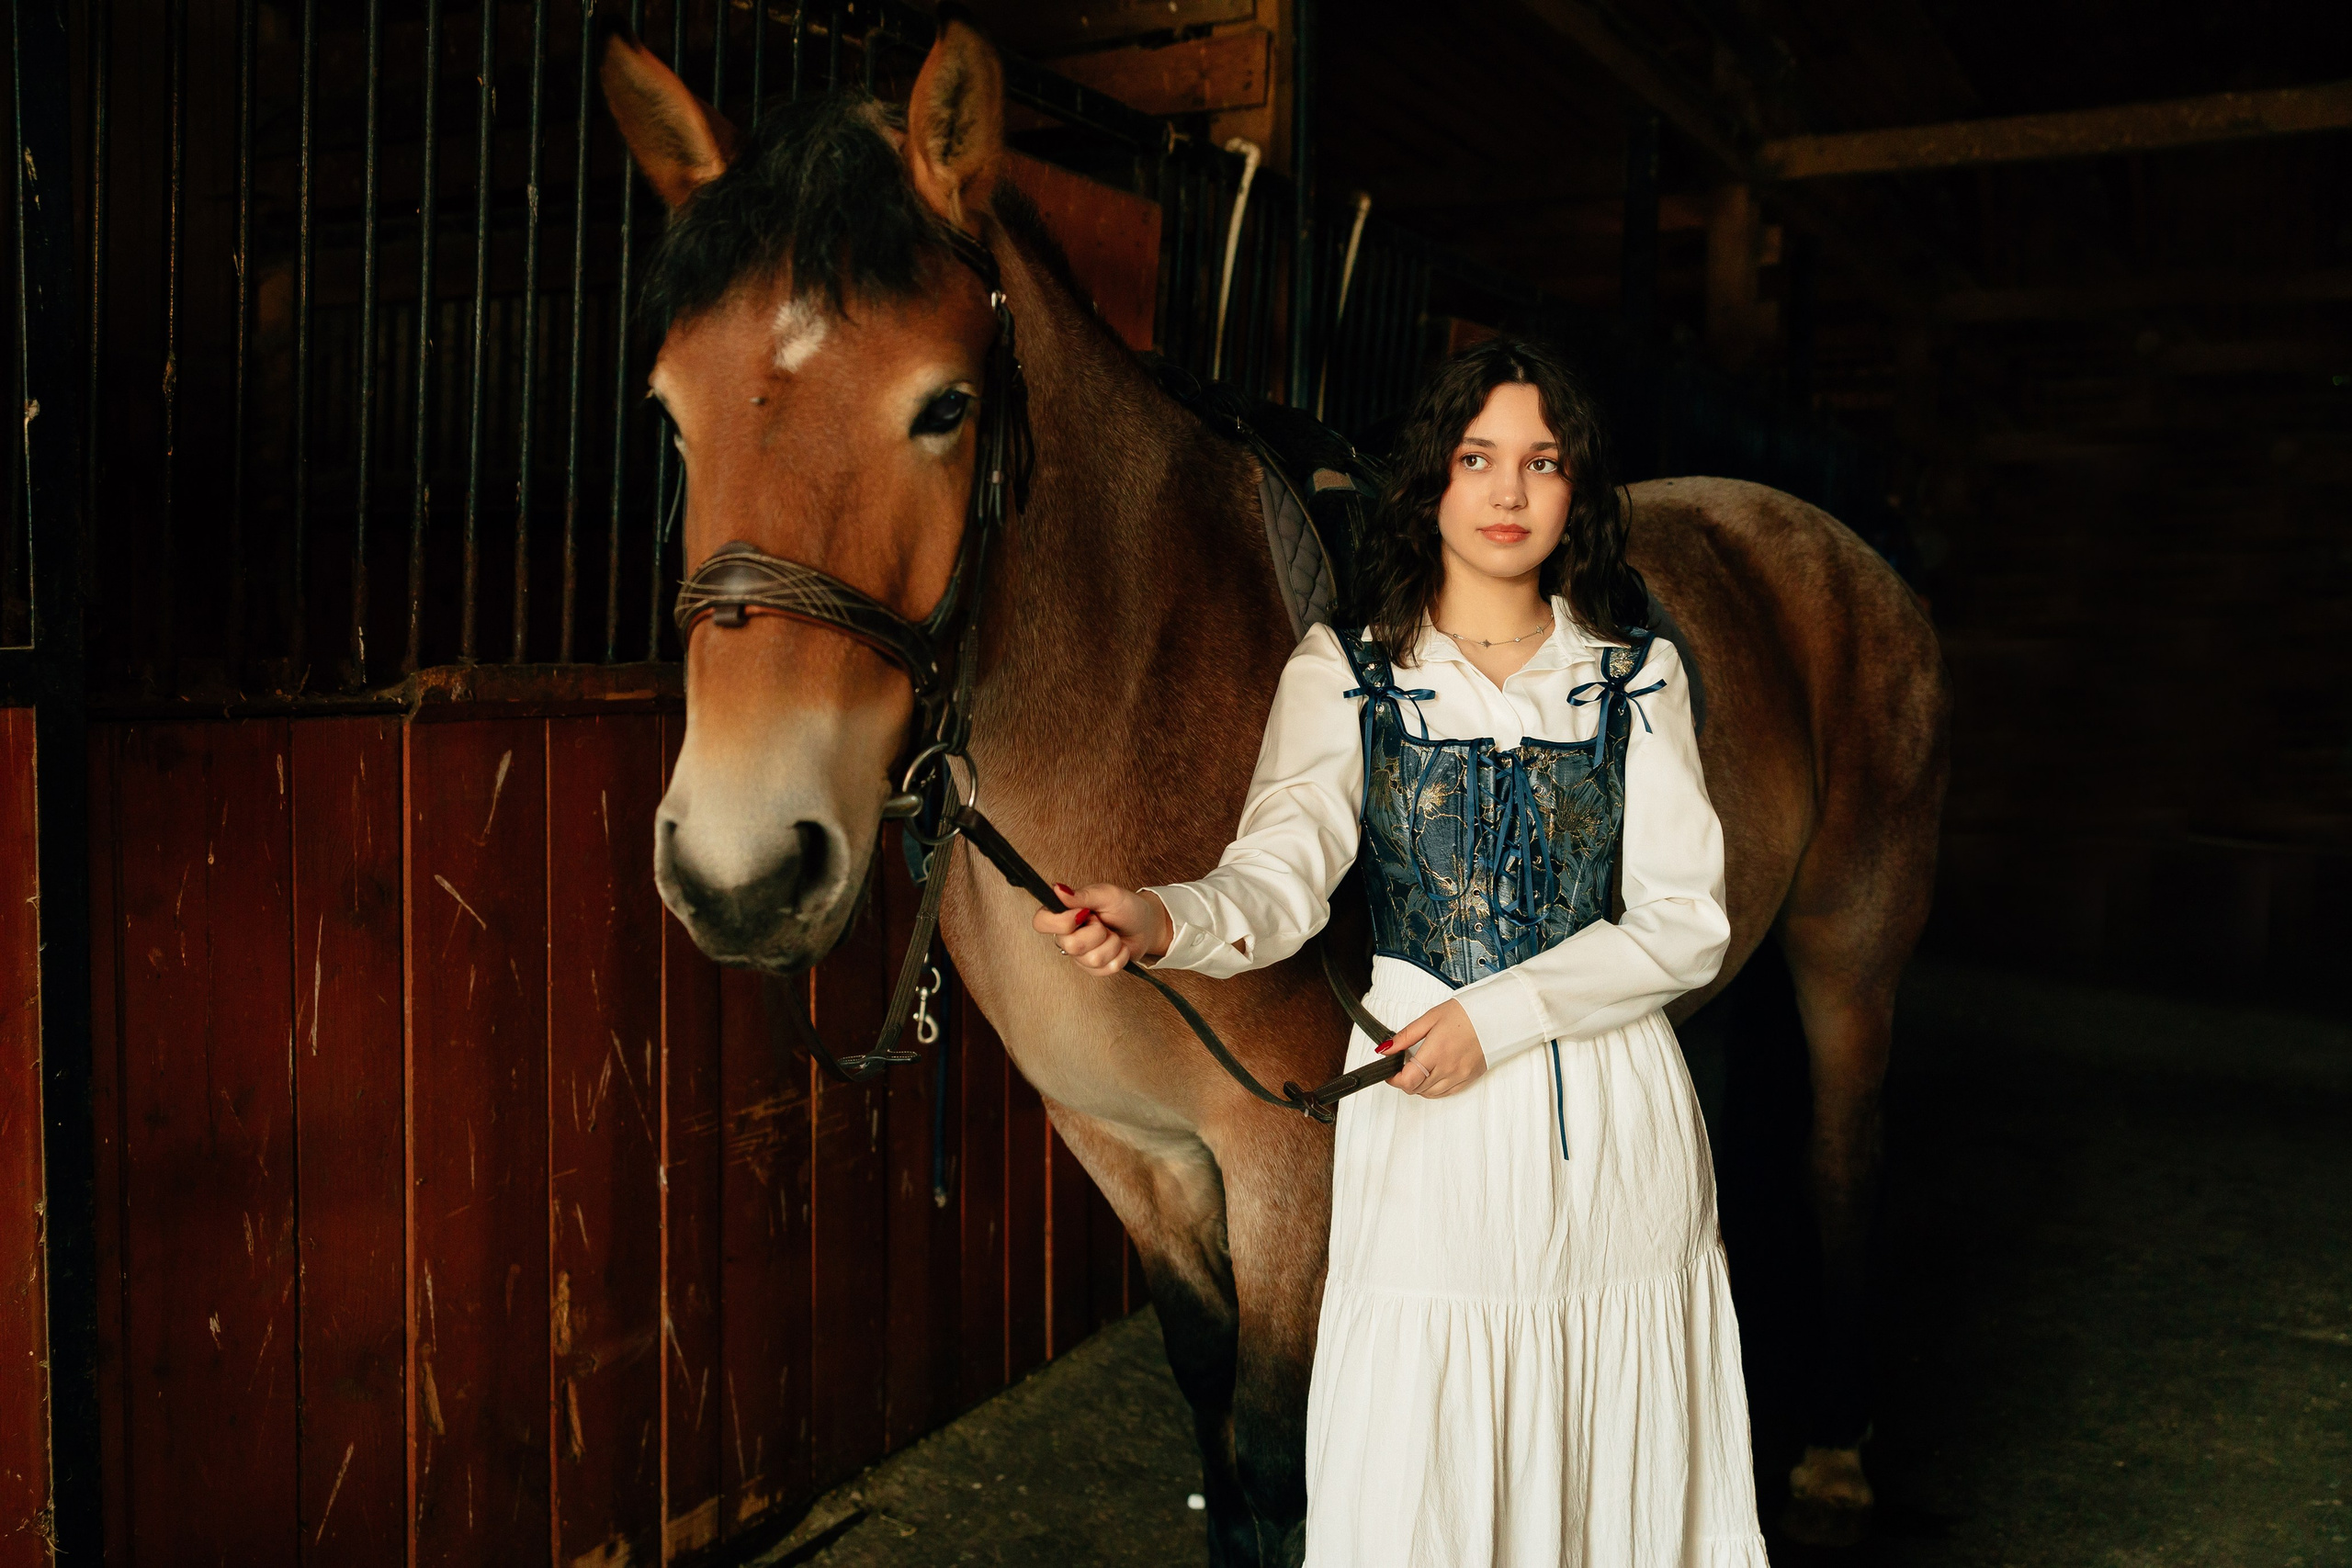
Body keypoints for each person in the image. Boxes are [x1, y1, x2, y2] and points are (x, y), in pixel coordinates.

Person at [1035, 337, 1768, 1566]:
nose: (1509, 492)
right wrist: (1162, 917)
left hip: (1612, 1119)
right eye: (1478, 458)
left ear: (1577, 492)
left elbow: (1686, 922)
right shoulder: (1347, 676)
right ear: (1431, 479)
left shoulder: (1638, 681)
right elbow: (1278, 876)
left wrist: (1498, 1018)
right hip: (1430, 1139)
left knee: (1606, 1446)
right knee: (1428, 1435)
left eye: (1544, 462)